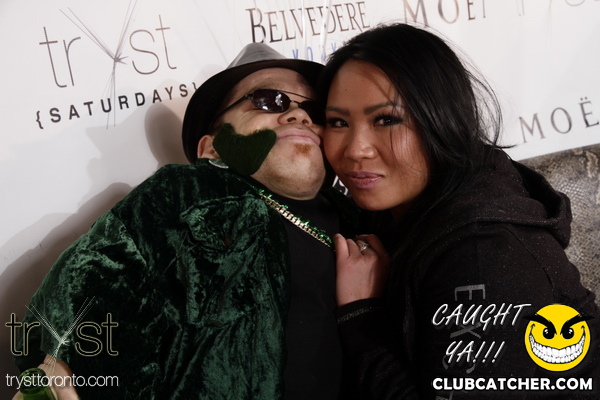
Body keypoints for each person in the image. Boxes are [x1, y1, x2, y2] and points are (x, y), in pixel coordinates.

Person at [13, 43, 358, 399]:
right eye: (269, 100)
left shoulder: (361, 215)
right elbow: (65, 324)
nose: (298, 115)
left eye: (314, 110)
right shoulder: (184, 197)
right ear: (211, 147)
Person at [319, 23, 600, 399]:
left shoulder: (483, 254)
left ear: (443, 119)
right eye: (338, 122)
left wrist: (361, 314)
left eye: (386, 119)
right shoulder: (402, 206)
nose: (356, 149)